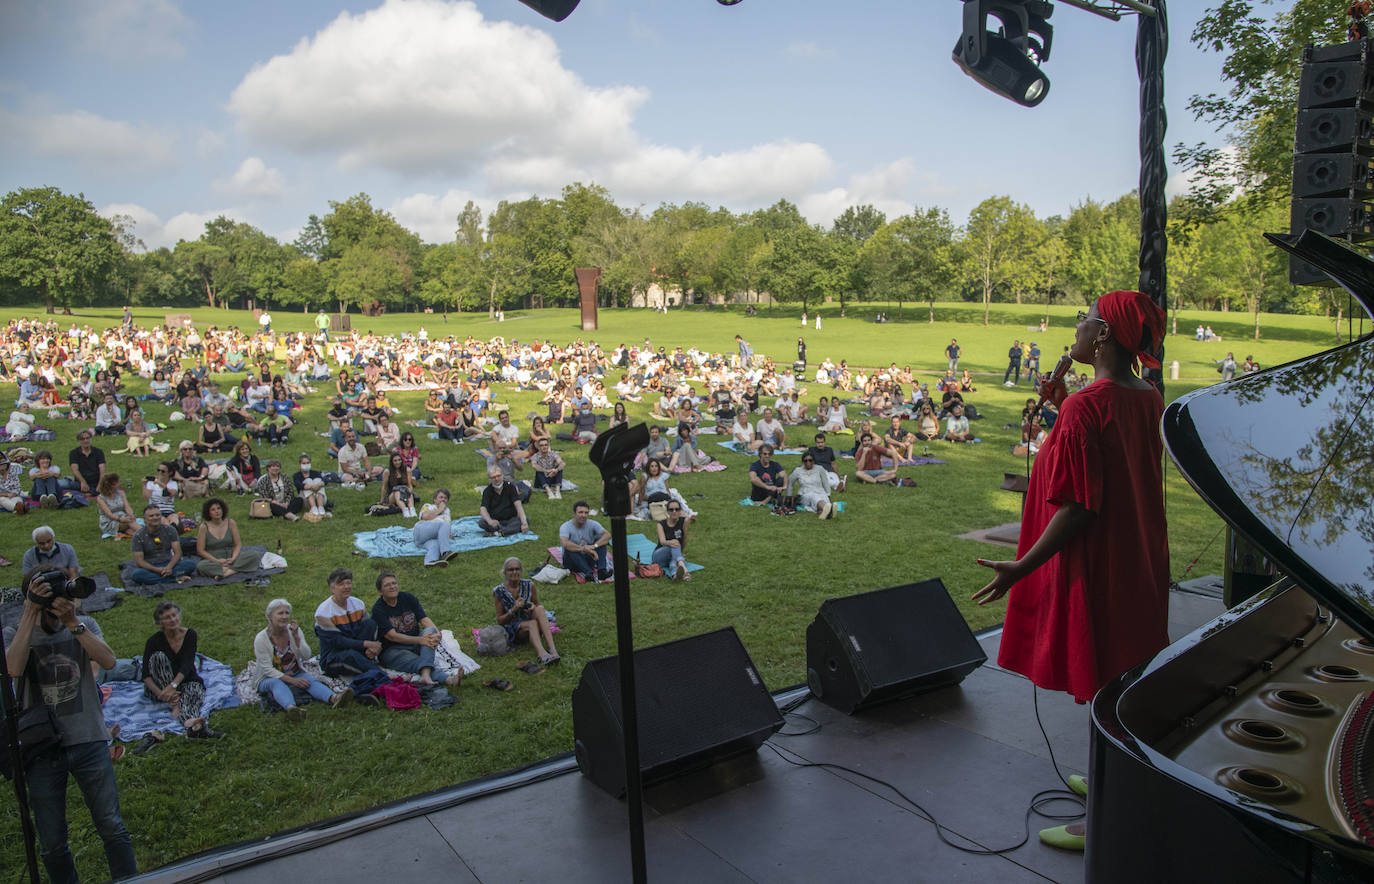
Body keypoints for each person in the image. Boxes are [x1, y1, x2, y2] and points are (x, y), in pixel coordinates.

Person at [973, 290, 1170, 851]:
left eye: (1084, 322)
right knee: (1126, 671)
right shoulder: (1145, 396)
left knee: (1106, 673)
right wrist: (1062, 409)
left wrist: (1022, 566)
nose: (1076, 331)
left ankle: (1107, 816)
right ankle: (1110, 768)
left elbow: (1081, 504)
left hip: (1099, 560)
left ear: (1103, 334)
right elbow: (1105, 451)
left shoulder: (1092, 404)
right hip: (1138, 556)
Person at [4, 571, 138, 883]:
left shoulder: (83, 626)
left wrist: (71, 622)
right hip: (42, 748)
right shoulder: (16, 630)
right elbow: (12, 667)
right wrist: (30, 611)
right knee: (51, 843)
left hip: (88, 737)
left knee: (112, 826)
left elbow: (107, 661)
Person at [254, 597, 353, 720]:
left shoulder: (293, 631)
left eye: (287, 613)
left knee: (310, 680)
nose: (285, 617)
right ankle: (292, 709)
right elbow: (267, 669)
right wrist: (292, 681)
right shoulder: (261, 639)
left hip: (294, 672)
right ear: (270, 617)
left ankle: (334, 698)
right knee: (276, 683)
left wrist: (297, 638)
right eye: (280, 613)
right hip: (268, 677)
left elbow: (306, 656)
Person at [142, 600, 220, 739]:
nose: (173, 620)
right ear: (160, 623)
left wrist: (173, 686)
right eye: (167, 617)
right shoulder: (153, 641)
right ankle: (174, 703)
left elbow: (187, 664)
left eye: (174, 615)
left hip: (184, 680)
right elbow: (146, 675)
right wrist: (161, 693)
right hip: (160, 686)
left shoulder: (190, 635)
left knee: (193, 692)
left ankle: (191, 724)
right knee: (158, 657)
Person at [370, 571, 464, 686]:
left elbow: (424, 619)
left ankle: (425, 675)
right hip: (393, 650)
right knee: (417, 661)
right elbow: (392, 636)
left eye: (394, 583)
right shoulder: (378, 609)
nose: (392, 587)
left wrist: (437, 634)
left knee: (430, 631)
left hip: (416, 644)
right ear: (380, 591)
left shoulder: (408, 598)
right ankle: (448, 679)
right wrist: (420, 640)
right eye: (387, 585)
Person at [313, 567, 384, 679]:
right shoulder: (323, 613)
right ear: (332, 588)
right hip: (333, 657)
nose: (346, 587)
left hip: (356, 649)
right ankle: (384, 677)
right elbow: (338, 642)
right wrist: (367, 644)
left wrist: (374, 646)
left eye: (348, 583)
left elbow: (368, 629)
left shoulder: (358, 604)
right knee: (352, 656)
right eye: (341, 584)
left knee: (370, 623)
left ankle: (366, 660)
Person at [492, 558, 560, 665]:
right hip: (514, 629)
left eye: (517, 569)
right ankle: (542, 655)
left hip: (529, 619)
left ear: (521, 571)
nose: (514, 572)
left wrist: (532, 606)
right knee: (532, 623)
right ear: (505, 573)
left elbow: (536, 605)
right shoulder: (499, 592)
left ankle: (552, 650)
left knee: (540, 609)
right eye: (511, 570)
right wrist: (513, 609)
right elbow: (500, 621)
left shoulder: (529, 585)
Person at [129, 505, 197, 585]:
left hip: (169, 563)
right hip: (150, 567)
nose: (155, 518)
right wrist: (157, 570)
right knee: (137, 575)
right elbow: (139, 561)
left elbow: (178, 553)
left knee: (190, 564)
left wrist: (169, 567)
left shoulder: (170, 530)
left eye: (157, 515)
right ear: (145, 520)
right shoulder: (138, 535)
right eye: (151, 516)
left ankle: (160, 578)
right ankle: (175, 579)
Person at [196, 497, 262, 578]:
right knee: (201, 566)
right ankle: (234, 569)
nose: (217, 511)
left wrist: (233, 558)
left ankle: (228, 572)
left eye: (218, 508)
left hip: (231, 557)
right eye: (213, 510)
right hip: (213, 559)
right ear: (208, 513)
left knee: (254, 555)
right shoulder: (204, 527)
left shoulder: (231, 523)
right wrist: (217, 561)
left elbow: (238, 544)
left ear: (223, 509)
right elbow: (200, 551)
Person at [560, 500, 612, 583]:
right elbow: (565, 543)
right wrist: (583, 549)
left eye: (586, 513)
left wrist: (594, 546)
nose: (583, 515)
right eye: (580, 512)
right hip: (572, 562)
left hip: (589, 558)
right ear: (574, 514)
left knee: (601, 539)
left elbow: (607, 535)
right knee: (569, 547)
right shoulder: (565, 526)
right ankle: (588, 573)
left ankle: (601, 571)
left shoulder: (592, 524)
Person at [413, 488, 458, 567]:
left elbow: (446, 527)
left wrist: (448, 533)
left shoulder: (447, 511)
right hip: (422, 530)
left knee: (435, 544)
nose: (443, 500)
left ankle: (430, 561)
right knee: (444, 524)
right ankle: (445, 552)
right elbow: (425, 517)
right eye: (441, 497)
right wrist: (440, 509)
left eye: (445, 498)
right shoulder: (428, 506)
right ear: (435, 499)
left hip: (426, 540)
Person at [478, 468, 529, 536]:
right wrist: (490, 521)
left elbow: (518, 506)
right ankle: (506, 531)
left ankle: (497, 533)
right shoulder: (487, 491)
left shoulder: (510, 487)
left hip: (511, 519)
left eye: (498, 476)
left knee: (525, 521)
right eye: (493, 477)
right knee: (482, 522)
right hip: (496, 521)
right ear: (490, 479)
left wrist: (524, 523)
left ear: (502, 476)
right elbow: (483, 509)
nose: (496, 479)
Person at [789, 452, 837, 519]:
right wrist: (789, 497)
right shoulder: (798, 471)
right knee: (814, 496)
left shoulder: (820, 469)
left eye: (810, 460)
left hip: (820, 492)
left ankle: (825, 513)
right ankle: (830, 510)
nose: (808, 462)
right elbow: (790, 483)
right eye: (805, 461)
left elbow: (825, 482)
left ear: (814, 461)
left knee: (822, 498)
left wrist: (828, 494)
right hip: (805, 495)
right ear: (803, 462)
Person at [652, 501, 692, 580]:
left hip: (673, 555)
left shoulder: (684, 521)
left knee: (673, 561)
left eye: (677, 509)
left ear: (680, 511)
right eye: (671, 509)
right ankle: (684, 569)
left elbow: (684, 539)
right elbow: (662, 542)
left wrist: (679, 553)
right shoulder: (661, 524)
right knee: (675, 543)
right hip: (659, 557)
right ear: (667, 512)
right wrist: (671, 542)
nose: (674, 512)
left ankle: (675, 575)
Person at [96, 473, 138, 537]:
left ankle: (141, 536)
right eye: (118, 482)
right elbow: (109, 514)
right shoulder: (100, 498)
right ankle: (145, 533)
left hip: (123, 517)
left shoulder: (121, 493)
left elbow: (127, 507)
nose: (120, 483)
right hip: (110, 521)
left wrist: (131, 514)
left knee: (130, 526)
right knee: (129, 522)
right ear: (112, 485)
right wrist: (121, 519)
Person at [68, 429, 107, 497]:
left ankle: (87, 493)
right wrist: (83, 482)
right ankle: (92, 493)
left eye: (87, 438)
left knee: (109, 484)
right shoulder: (73, 453)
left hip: (96, 481)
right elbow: (75, 470)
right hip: (80, 481)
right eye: (82, 439)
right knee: (70, 485)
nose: (85, 440)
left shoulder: (98, 452)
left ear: (91, 439)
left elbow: (102, 469)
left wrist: (100, 484)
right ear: (79, 440)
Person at [292, 453, 330, 519]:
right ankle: (313, 507)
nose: (306, 465)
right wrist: (310, 487)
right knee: (308, 480)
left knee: (318, 480)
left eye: (308, 463)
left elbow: (325, 480)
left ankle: (320, 507)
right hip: (306, 501)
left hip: (319, 497)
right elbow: (298, 484)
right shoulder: (296, 475)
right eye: (304, 463)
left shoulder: (316, 473)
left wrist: (319, 484)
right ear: (300, 464)